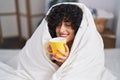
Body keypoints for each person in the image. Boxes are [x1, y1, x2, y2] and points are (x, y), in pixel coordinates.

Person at [0, 2, 116, 80]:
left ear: (77, 26)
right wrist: (55, 60)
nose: (61, 30)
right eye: (58, 24)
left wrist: (66, 62)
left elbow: (83, 70)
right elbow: (35, 62)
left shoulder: (87, 42)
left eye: (68, 24)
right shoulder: (50, 40)